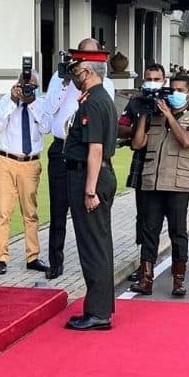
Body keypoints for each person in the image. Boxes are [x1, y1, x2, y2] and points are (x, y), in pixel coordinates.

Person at [41, 37, 115, 280]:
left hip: (87, 161)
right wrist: (64, 84)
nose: (74, 67)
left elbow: (96, 143)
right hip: (63, 150)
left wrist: (90, 189)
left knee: (92, 231)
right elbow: (48, 109)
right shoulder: (63, 80)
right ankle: (56, 260)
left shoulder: (98, 94)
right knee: (58, 209)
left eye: (79, 63)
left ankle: (98, 305)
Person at [128, 74, 189, 296]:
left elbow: (187, 140)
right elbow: (137, 143)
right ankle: (146, 278)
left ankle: (178, 280)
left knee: (178, 232)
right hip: (152, 182)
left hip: (177, 185)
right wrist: (144, 113)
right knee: (149, 231)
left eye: (181, 90)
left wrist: (170, 116)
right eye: (172, 89)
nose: (175, 93)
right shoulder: (155, 116)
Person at [62, 49, 117, 331]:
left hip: (90, 176)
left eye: (78, 70)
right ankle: (101, 307)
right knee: (99, 244)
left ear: (90, 72)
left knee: (93, 247)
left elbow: (95, 149)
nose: (75, 76)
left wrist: (90, 190)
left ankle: (97, 312)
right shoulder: (98, 99)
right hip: (93, 175)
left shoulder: (94, 103)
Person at [0, 69, 51, 275]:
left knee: (30, 212)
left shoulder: (41, 103)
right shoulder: (7, 100)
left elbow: (46, 127)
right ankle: (1, 257)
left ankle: (32, 256)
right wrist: (13, 102)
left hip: (30, 163)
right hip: (6, 160)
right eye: (25, 84)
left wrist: (31, 103)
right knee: (3, 211)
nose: (27, 88)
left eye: (32, 84)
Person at [117, 63, 168, 283]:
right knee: (144, 218)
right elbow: (121, 127)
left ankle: (177, 270)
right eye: (149, 78)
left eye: (157, 79)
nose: (152, 82)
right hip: (142, 163)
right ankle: (145, 263)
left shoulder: (170, 100)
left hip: (167, 167)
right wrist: (140, 126)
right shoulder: (136, 101)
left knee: (169, 221)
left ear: (164, 80)